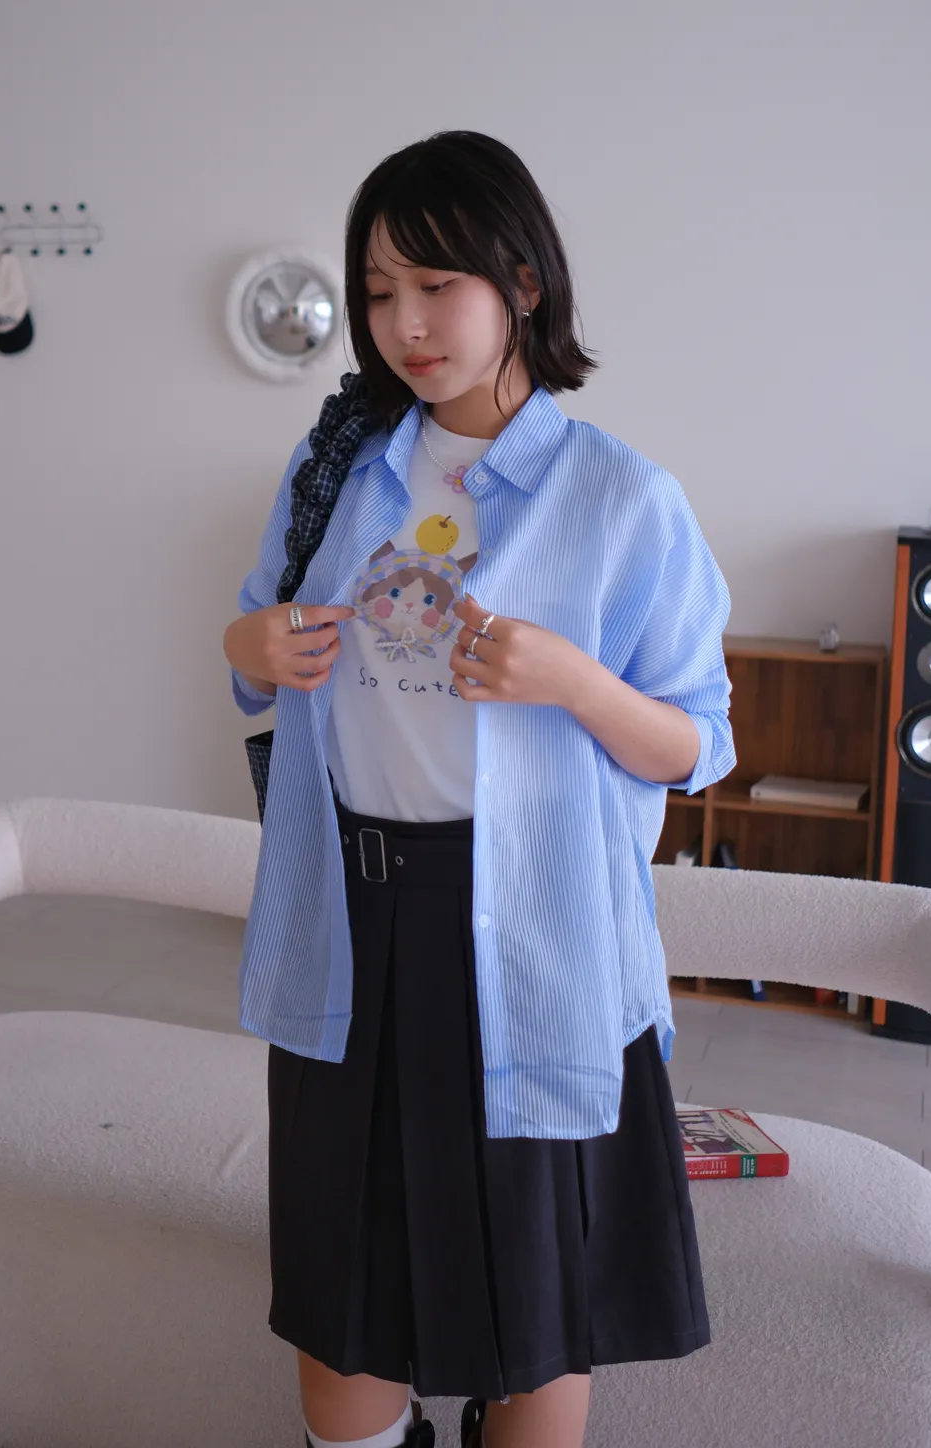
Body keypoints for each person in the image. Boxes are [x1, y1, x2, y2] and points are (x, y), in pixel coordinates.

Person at [222, 131, 736, 1448]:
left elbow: (696, 741)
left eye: (435, 285)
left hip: (535, 933)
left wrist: (576, 681)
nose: (403, 323)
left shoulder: (623, 498)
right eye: (377, 290)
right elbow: (252, 643)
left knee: (533, 1310)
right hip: (351, 922)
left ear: (522, 284)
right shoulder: (339, 467)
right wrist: (250, 645)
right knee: (342, 1298)